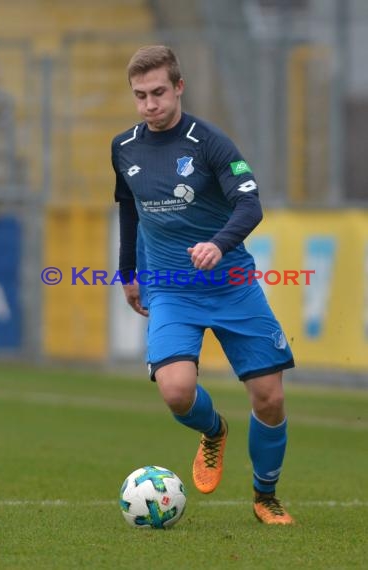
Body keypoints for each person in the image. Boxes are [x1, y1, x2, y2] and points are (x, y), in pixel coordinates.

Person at [112, 45, 295, 525]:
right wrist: (128, 272)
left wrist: (219, 243)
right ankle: (213, 432)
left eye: (158, 93)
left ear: (178, 87)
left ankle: (265, 495)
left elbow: (250, 206)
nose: (150, 104)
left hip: (232, 285)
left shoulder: (211, 142)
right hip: (171, 288)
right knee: (176, 391)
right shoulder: (124, 147)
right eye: (140, 96)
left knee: (270, 397)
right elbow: (128, 208)